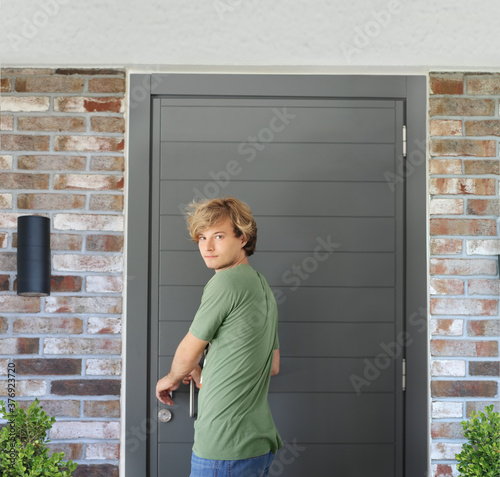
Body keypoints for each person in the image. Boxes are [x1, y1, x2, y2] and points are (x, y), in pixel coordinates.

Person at [156, 196, 283, 477]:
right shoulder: (262, 287)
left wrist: (171, 379)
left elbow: (189, 351)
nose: (207, 247)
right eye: (202, 237)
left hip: (224, 447)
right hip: (258, 443)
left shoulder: (224, 282)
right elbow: (271, 366)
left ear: (243, 237)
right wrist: (200, 372)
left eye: (219, 236)